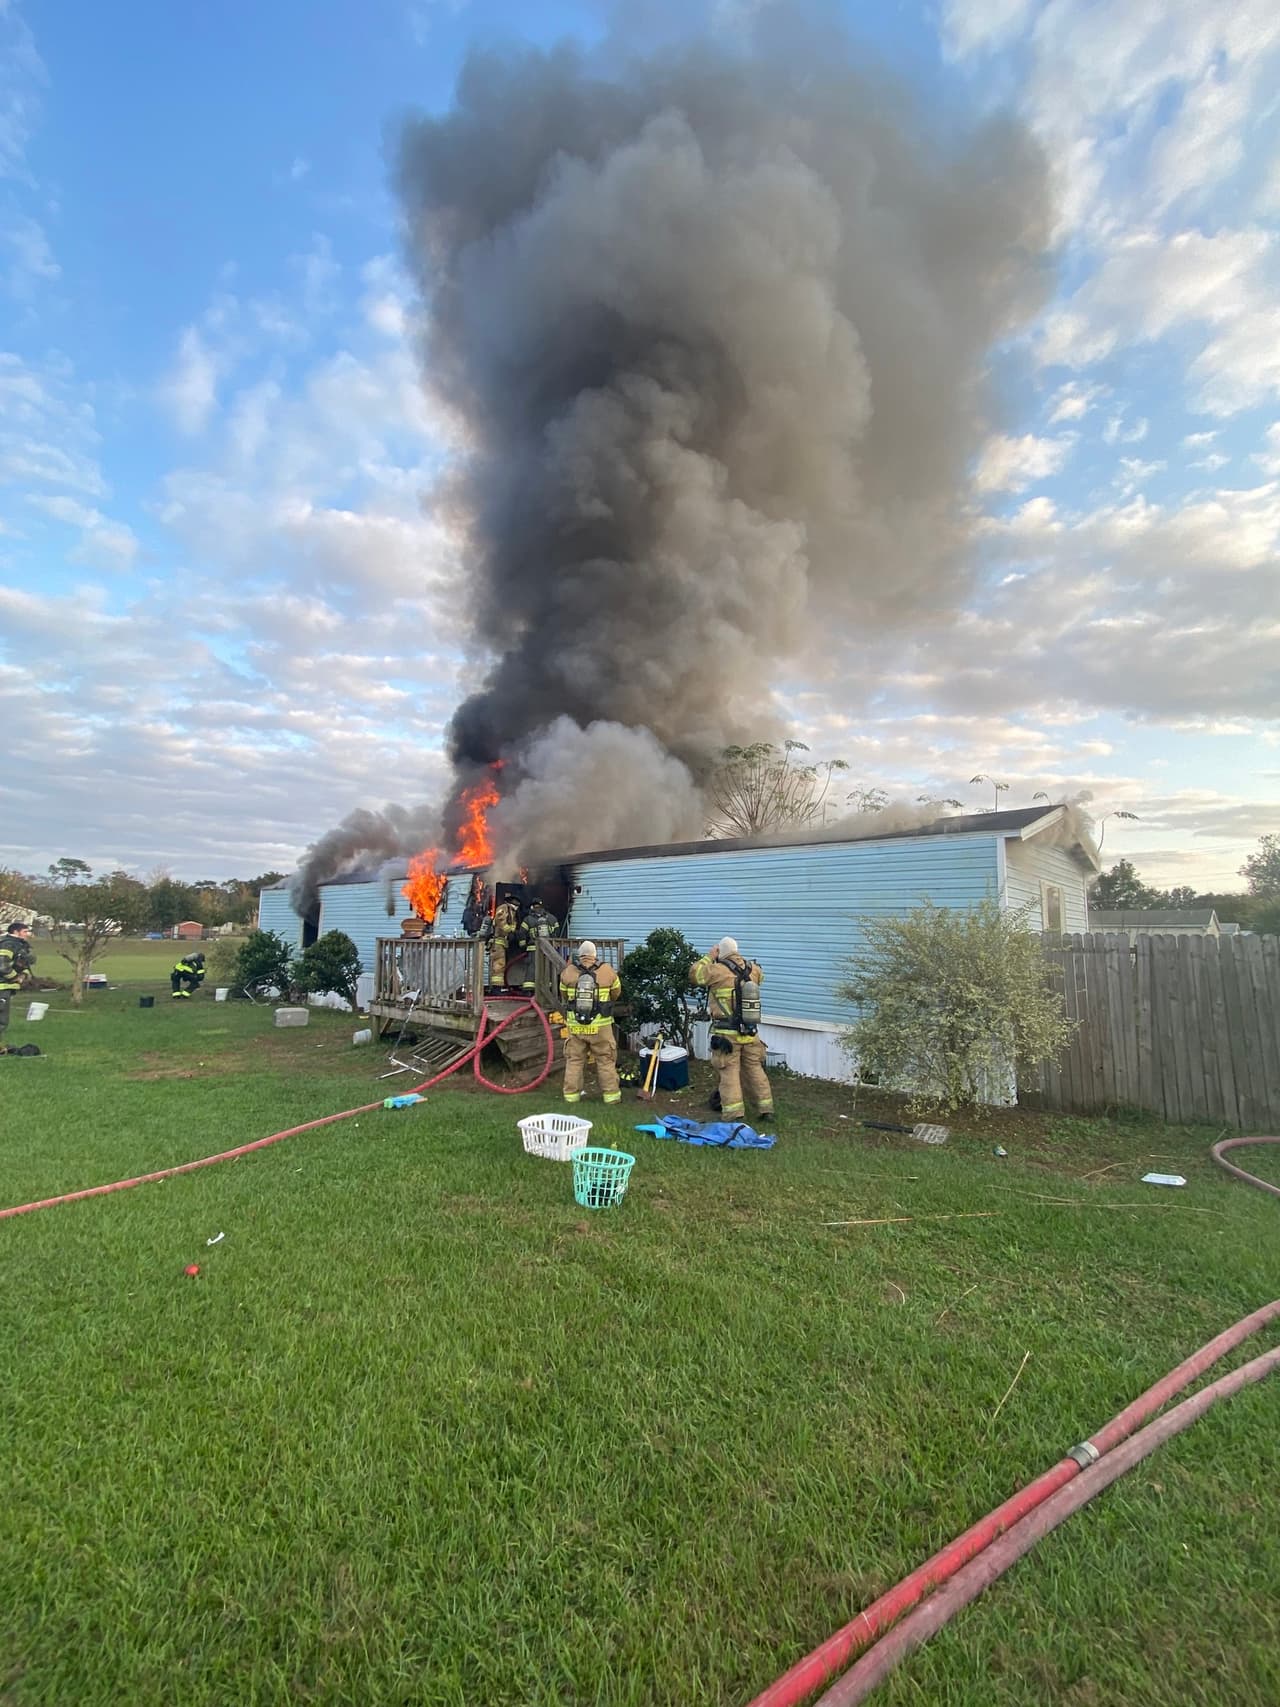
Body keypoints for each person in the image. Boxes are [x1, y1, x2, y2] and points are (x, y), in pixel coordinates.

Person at [689, 937, 773, 1122]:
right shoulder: (753, 969)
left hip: (727, 1034)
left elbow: (695, 975)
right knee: (755, 1070)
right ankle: (766, 1109)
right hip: (751, 1033)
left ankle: (733, 1114)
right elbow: (762, 979)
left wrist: (709, 957)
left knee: (729, 1072)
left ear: (721, 952)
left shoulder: (716, 970)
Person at [558, 940, 622, 1105]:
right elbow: (616, 993)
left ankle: (571, 1097)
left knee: (574, 1060)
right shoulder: (607, 971)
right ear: (595, 955)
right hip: (601, 1027)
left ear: (580, 955)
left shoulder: (568, 972)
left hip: (576, 1027)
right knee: (605, 1060)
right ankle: (611, 1097)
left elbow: (564, 996)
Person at [0, 920, 36, 1054]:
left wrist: (24, 975)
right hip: (1, 987)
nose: (28, 934)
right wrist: (16, 977)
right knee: (1, 1021)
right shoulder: (8, 944)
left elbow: (23, 964)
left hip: (6, 988)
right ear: (15, 932)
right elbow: (2, 966)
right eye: (25, 931)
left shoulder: (19, 945)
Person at [519, 898, 561, 991]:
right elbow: (557, 932)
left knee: (532, 968)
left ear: (532, 906)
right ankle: (548, 989)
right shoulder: (552, 918)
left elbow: (522, 933)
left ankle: (529, 990)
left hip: (533, 948)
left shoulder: (528, 919)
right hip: (548, 949)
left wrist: (522, 945)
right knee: (547, 968)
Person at [487, 895, 522, 992]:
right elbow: (500, 920)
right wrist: (509, 932)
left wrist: (514, 933)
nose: (517, 906)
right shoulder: (503, 908)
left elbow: (513, 925)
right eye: (515, 903)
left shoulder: (513, 912)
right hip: (498, 942)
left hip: (503, 943)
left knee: (501, 965)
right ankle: (496, 990)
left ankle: (497, 988)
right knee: (498, 965)